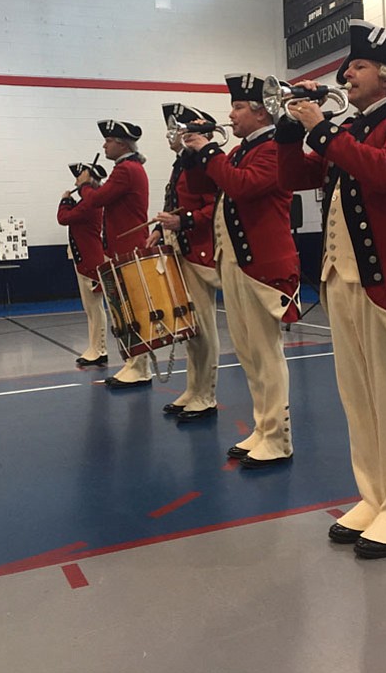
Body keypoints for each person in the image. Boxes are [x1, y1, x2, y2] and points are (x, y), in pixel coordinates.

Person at [275, 19, 386, 559]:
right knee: (358, 399)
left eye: (359, 66)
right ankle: (373, 498)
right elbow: (294, 179)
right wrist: (289, 128)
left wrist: (323, 129)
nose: (346, 74)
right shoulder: (354, 128)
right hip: (342, 281)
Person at [182, 73, 300, 468]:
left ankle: (279, 437)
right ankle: (263, 428)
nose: (229, 115)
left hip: (262, 265)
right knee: (248, 353)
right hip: (233, 261)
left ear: (260, 111)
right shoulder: (237, 151)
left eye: (236, 107)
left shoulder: (270, 149)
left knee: (266, 354)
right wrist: (193, 151)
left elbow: (242, 186)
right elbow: (205, 182)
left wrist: (210, 150)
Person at [147, 103, 221, 422]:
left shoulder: (205, 163)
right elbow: (173, 204)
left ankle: (207, 394)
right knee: (191, 327)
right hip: (180, 248)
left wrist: (184, 222)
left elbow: (215, 207)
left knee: (203, 327)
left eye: (178, 129)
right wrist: (159, 228)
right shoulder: (183, 164)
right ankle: (194, 388)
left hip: (200, 251)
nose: (171, 135)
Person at [76, 119, 151, 388]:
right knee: (127, 310)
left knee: (132, 310)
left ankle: (139, 367)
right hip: (124, 248)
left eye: (108, 141)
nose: (104, 145)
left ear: (121, 143)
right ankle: (134, 363)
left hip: (126, 249)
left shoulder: (125, 170)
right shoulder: (129, 169)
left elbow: (95, 200)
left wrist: (85, 184)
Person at [57, 160, 109, 368]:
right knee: (91, 309)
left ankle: (100, 349)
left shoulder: (90, 204)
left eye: (79, 177)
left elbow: (63, 218)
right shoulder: (88, 202)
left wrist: (64, 201)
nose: (76, 182)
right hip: (85, 259)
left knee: (95, 309)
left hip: (90, 260)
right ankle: (95, 347)